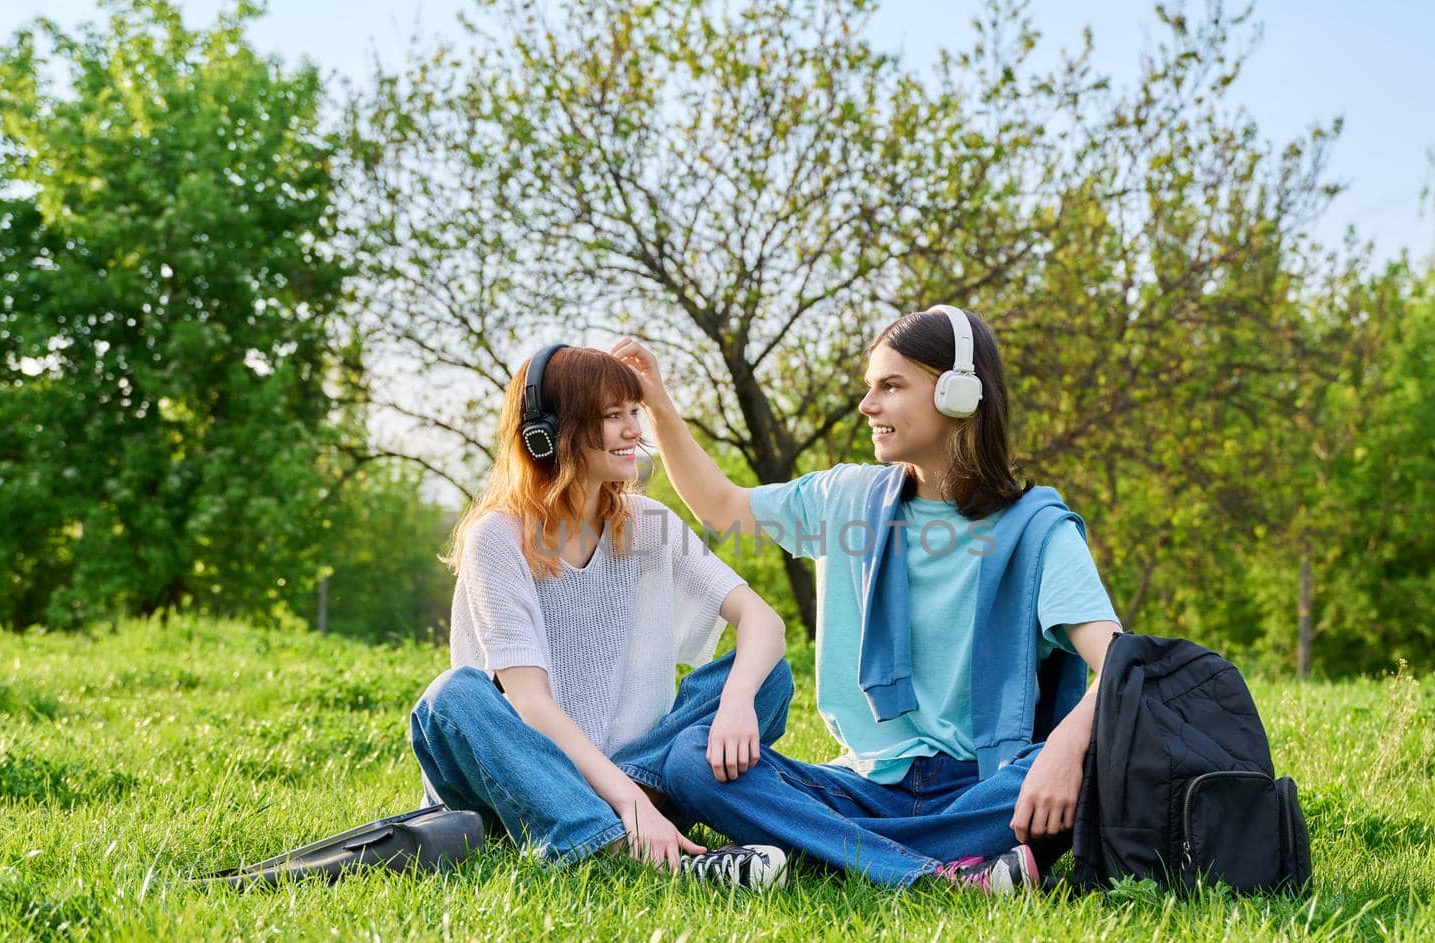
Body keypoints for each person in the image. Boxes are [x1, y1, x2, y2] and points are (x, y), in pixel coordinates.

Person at [613, 307, 1122, 892]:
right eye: (868, 387)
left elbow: (1120, 665)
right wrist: (656, 403)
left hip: (985, 783)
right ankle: (942, 873)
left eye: (891, 386)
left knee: (1083, 768)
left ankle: (825, 847)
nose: (868, 405)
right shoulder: (844, 498)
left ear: (959, 394)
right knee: (691, 759)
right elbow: (721, 505)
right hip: (862, 784)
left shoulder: (1038, 530)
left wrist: (1063, 748)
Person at [408, 343, 792, 888]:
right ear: (549, 433)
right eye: (613, 416)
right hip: (526, 777)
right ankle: (638, 849)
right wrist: (631, 803)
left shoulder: (649, 524)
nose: (634, 429)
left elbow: (764, 622)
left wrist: (734, 704)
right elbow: (530, 704)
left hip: (632, 773)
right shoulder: (496, 537)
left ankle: (615, 831)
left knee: (765, 676)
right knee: (451, 697)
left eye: (633, 412)